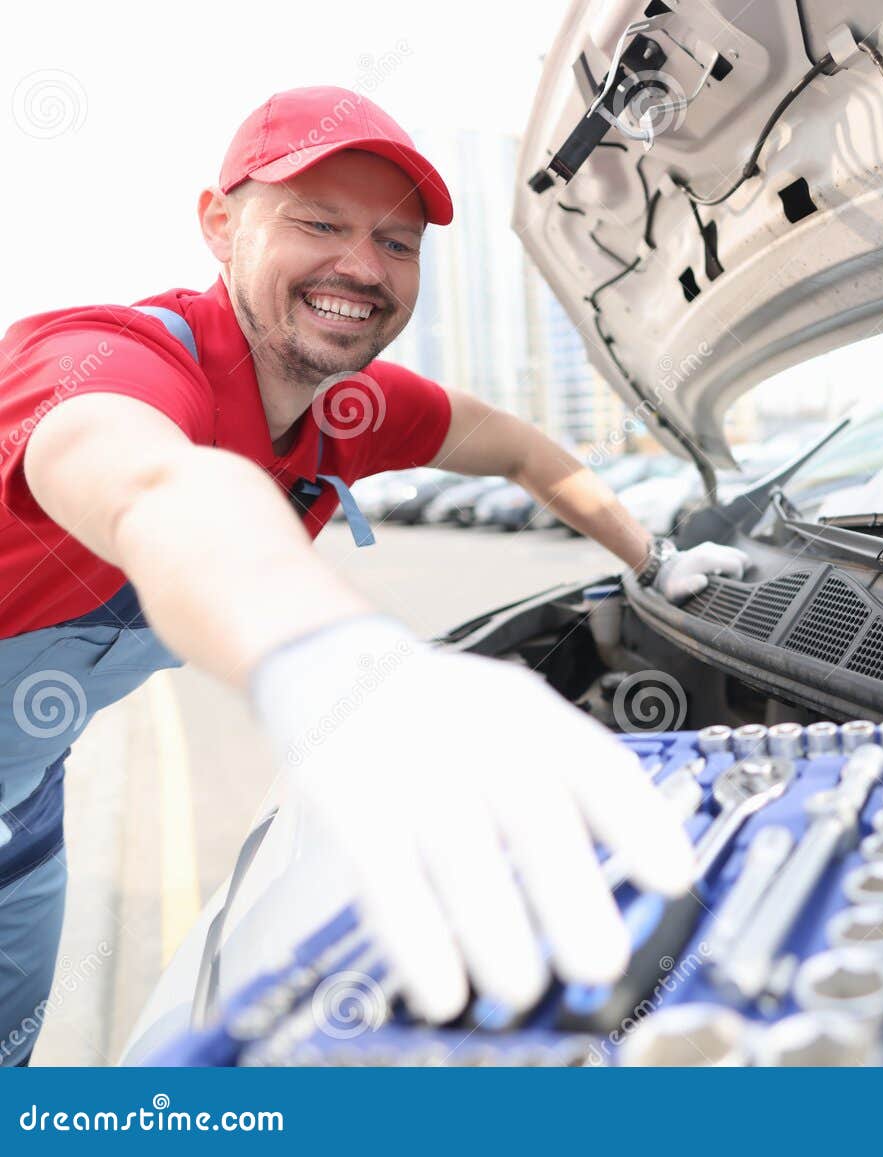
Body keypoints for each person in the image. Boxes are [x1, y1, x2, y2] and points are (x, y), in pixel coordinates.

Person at [0, 86, 748, 1065]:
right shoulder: (113, 360)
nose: (362, 266)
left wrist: (653, 555)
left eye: (398, 244)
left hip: (24, 809)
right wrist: (326, 651)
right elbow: (150, 484)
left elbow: (524, 452)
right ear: (219, 225)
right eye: (320, 223)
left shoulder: (352, 408)